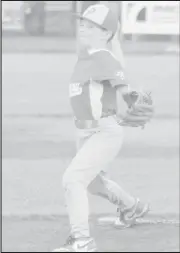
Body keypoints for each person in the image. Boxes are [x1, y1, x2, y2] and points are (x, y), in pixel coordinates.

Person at [53, 4, 151, 252]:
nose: (82, 27)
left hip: (103, 132)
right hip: (85, 132)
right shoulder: (87, 55)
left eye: (91, 25)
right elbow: (115, 57)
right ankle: (132, 207)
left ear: (106, 33)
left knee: (72, 180)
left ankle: (82, 240)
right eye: (82, 23)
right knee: (93, 183)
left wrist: (134, 101)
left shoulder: (103, 58)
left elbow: (124, 88)